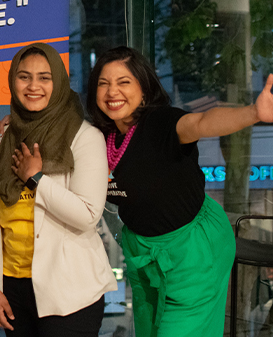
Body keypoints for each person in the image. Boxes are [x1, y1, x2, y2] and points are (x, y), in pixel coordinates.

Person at [86, 46, 273, 336]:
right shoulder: (100, 136)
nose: (113, 92)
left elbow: (202, 123)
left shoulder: (161, 123)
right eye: (103, 83)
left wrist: (253, 113)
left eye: (124, 82)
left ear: (144, 90)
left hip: (193, 249)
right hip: (143, 251)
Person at [0, 43, 117, 337]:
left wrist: (36, 178)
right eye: (24, 76)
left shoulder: (84, 138)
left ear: (59, 82)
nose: (33, 86)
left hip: (71, 290)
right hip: (12, 287)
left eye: (44, 77)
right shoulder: (1, 138)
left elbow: (87, 215)